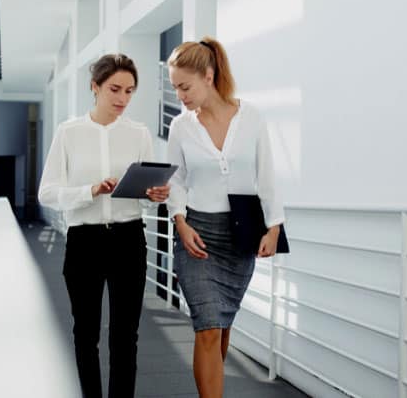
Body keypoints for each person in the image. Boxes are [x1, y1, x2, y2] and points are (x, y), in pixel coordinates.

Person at [38, 53, 169, 398]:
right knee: (86, 333)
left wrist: (154, 194)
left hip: (129, 240)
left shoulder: (139, 134)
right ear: (94, 87)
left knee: (126, 336)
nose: (122, 99)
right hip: (85, 241)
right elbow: (47, 192)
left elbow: (142, 196)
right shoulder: (69, 133)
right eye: (115, 89)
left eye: (129, 91)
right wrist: (90, 190)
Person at [165, 37, 285, 398]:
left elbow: (267, 175)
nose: (179, 96)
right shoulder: (181, 127)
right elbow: (176, 180)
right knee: (208, 328)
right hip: (196, 235)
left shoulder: (252, 118)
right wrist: (180, 222)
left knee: (223, 324)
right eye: (174, 88)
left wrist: (274, 226)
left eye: (184, 87)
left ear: (208, 75)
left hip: (240, 235)